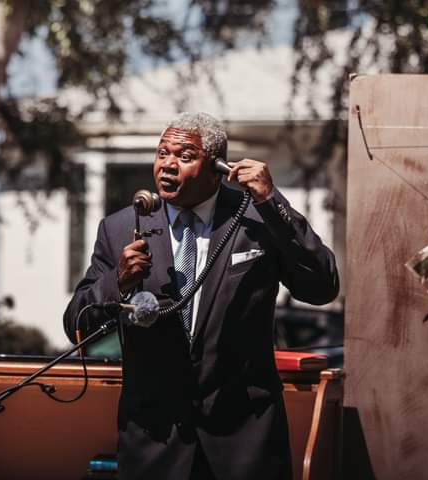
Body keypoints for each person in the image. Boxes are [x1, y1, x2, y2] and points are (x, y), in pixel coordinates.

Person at [63, 112, 339, 480]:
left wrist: (271, 201)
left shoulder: (256, 221)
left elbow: (322, 287)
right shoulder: (119, 228)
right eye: (162, 153)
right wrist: (118, 282)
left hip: (244, 444)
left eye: (184, 156)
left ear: (216, 166)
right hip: (155, 446)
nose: (168, 166)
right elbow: (76, 325)